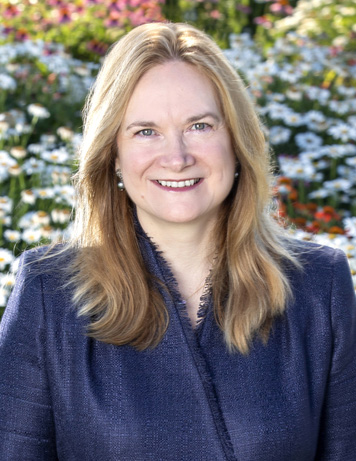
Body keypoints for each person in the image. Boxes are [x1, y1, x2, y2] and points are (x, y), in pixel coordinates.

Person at [0, 22, 355, 461]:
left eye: (200, 126)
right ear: (112, 154)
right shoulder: (48, 293)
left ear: (237, 140)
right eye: (145, 131)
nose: (177, 157)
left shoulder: (319, 286)